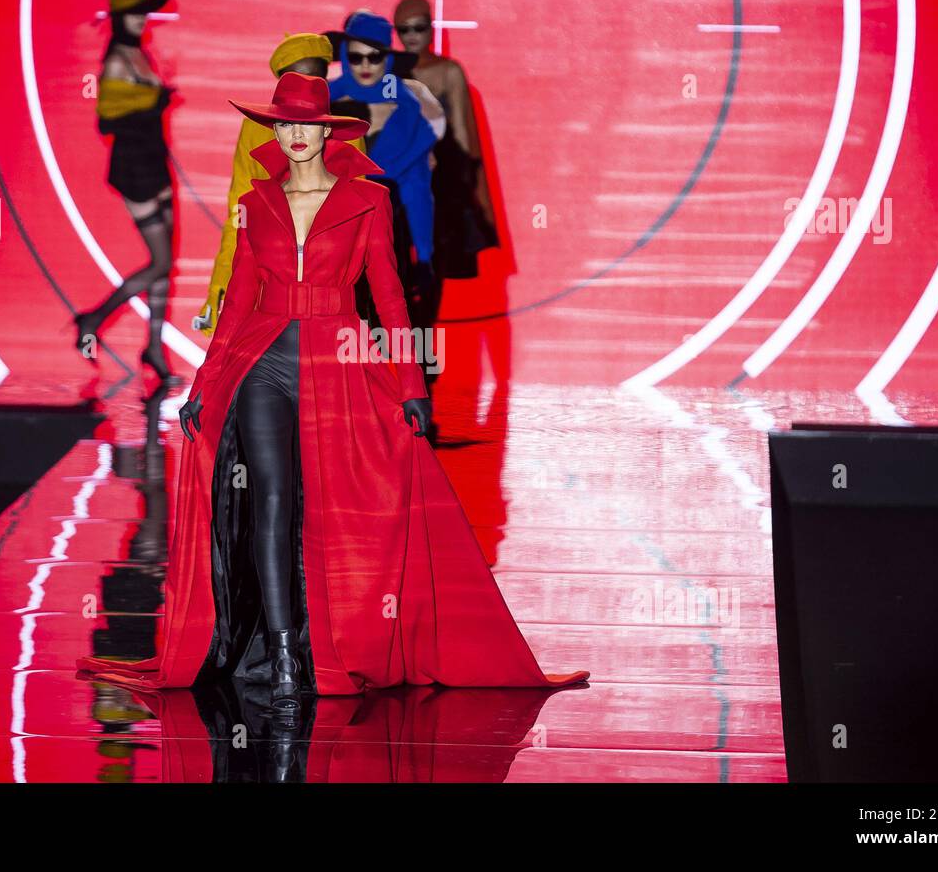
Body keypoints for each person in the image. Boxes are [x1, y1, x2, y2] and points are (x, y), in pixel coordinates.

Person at [76, 73, 589, 715]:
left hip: (339, 354)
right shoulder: (256, 202)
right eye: (282, 124)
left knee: (336, 502)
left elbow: (392, 297)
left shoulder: (368, 199)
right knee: (270, 499)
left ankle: (335, 641)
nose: (293, 135)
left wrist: (411, 384)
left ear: (326, 130)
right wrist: (205, 383)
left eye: (304, 124)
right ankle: (286, 654)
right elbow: (238, 301)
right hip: (262, 359)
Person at [195, 32, 367, 338]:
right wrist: (222, 285)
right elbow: (240, 209)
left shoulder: (346, 133)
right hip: (269, 273)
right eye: (296, 81)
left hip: (326, 281)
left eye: (314, 80)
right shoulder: (255, 129)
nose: (304, 91)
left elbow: (360, 218)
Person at [72, 0, 179, 386]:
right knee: (161, 261)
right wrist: (153, 104)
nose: (139, 18)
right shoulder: (117, 60)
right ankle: (94, 318)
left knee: (165, 265)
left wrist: (157, 102)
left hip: (154, 160)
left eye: (143, 11)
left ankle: (154, 348)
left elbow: (137, 108)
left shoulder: (139, 53)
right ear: (118, 18)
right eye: (133, 12)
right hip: (134, 167)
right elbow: (106, 120)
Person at [325, 12, 446, 352]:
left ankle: (415, 376)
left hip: (402, 218)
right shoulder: (326, 100)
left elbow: (427, 166)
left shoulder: (412, 101)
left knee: (407, 295)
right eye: (356, 56)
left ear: (388, 58)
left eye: (375, 56)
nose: (365, 65)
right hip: (342, 219)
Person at [393, 0, 499, 280]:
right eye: (405, 29)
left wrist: (472, 183)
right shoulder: (388, 71)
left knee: (439, 260)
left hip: (442, 176)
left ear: (431, 28)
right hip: (398, 175)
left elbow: (464, 132)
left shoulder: (450, 71)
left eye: (419, 27)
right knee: (396, 261)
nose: (412, 35)